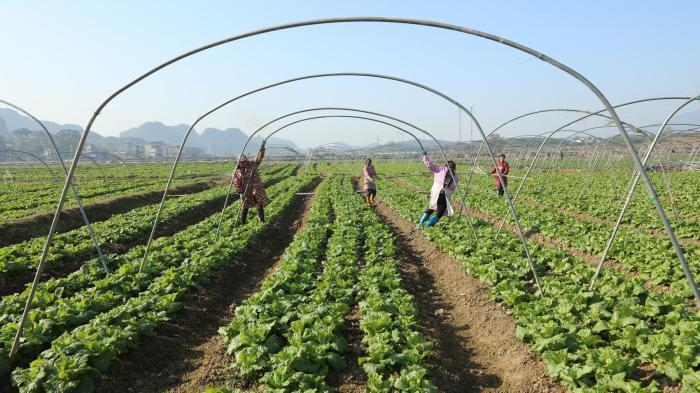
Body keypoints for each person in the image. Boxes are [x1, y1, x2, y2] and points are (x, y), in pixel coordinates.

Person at [417, 152, 458, 228]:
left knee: (431, 208)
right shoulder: (455, 176)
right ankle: (428, 226)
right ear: (454, 168)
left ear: (446, 165)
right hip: (445, 194)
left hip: (436, 192)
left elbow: (429, 165)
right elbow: (452, 188)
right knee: (440, 212)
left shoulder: (441, 168)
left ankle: (420, 224)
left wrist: (425, 156)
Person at [234, 142, 267, 224]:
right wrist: (240, 191)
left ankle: (261, 222)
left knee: (259, 205)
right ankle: (243, 223)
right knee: (244, 207)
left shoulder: (252, 163)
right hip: (246, 191)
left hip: (255, 188)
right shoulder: (237, 171)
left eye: (244, 161)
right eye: (241, 162)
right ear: (238, 162)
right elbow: (237, 182)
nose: (243, 163)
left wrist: (262, 147)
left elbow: (260, 157)